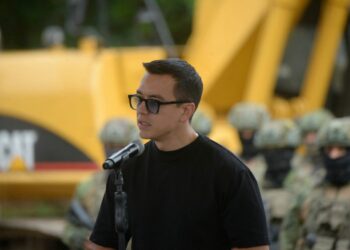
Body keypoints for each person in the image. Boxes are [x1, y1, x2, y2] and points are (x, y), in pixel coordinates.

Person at [89, 58, 270, 250]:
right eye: (139, 99)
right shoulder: (127, 169)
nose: (141, 109)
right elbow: (103, 245)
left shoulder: (230, 174)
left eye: (153, 103)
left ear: (185, 111)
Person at [61, 118, 139, 250]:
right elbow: (69, 229)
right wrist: (84, 240)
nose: (114, 152)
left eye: (120, 147)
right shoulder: (87, 187)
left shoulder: (145, 182)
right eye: (109, 146)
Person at [280, 117, 350, 250]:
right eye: (329, 150)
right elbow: (289, 235)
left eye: (341, 149)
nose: (334, 156)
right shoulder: (309, 190)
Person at [253, 119, 301, 250]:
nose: (274, 155)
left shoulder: (305, 184)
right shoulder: (252, 178)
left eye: (280, 150)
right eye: (269, 150)